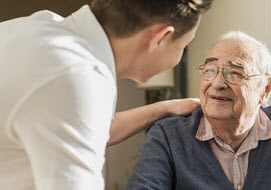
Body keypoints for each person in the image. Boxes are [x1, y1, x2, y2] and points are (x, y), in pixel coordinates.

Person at [0, 0, 214, 189]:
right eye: (184, 46)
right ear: (160, 38)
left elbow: (86, 128)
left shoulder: (37, 29)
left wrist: (164, 108)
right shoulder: (75, 77)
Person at [125, 31, 271, 190]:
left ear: (266, 89)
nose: (218, 83)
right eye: (210, 70)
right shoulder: (168, 135)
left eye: (235, 73)